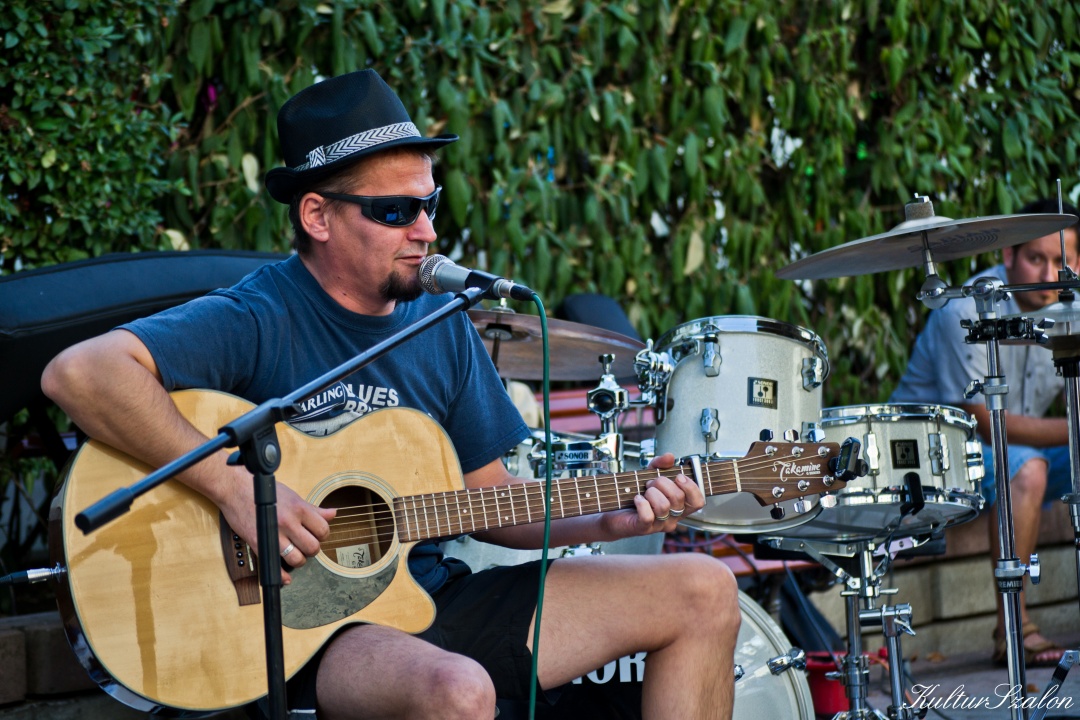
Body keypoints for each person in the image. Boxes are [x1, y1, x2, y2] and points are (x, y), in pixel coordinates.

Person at [41, 69, 740, 719]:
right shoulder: (259, 315)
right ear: (317, 216)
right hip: (295, 628)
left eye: (429, 203)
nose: (427, 230)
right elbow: (80, 373)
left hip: (425, 597)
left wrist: (612, 518)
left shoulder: (440, 323)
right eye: (396, 210)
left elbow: (490, 503)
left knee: (704, 591)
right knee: (458, 690)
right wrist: (233, 490)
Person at [890, 198, 1080, 667]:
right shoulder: (965, 309)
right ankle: (1013, 628)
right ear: (1009, 254)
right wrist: (1075, 428)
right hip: (934, 456)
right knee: (1028, 470)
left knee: (1030, 463)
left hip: (1011, 452)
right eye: (1035, 258)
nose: (1048, 274)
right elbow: (985, 422)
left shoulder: (1072, 308)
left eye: (1061, 261)